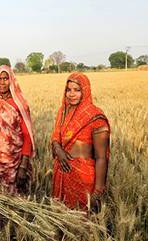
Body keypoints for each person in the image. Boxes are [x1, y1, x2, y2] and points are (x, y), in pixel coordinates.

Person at [51, 72, 110, 212]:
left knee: (82, 225)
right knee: (61, 221)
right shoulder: (63, 111)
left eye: (77, 90)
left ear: (85, 91)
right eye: (68, 89)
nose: (71, 94)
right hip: (61, 174)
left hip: (83, 178)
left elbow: (101, 157)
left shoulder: (95, 117)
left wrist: (98, 191)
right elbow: (55, 137)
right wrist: (58, 150)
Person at [0, 65, 35, 194]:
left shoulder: (20, 104)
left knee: (15, 201)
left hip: (14, 162)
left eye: (6, 78)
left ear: (12, 81)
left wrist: (23, 165)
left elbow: (27, 136)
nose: (2, 82)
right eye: (0, 79)